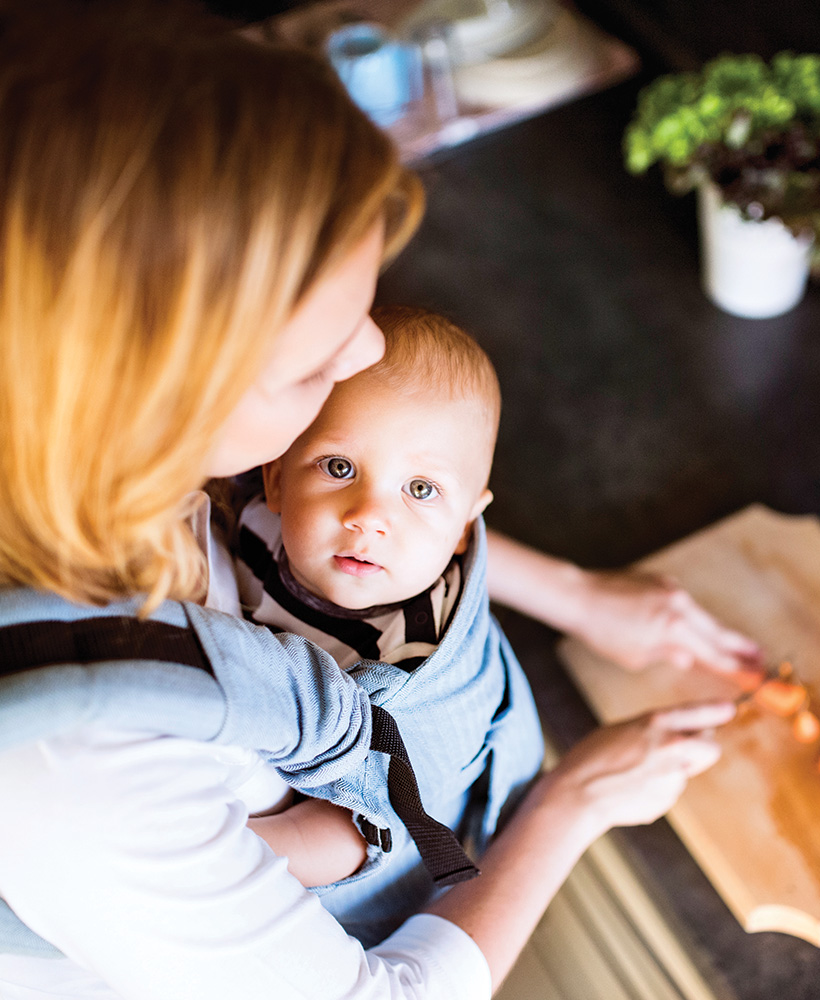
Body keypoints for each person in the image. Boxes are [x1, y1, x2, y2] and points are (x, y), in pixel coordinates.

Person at [0, 4, 748, 999]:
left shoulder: (89, 447)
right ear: (154, 403)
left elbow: (354, 512)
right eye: (313, 367)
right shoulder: (78, 772)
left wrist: (575, 591)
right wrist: (576, 798)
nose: (363, 358)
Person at [235, 306, 544, 943]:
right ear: (274, 475)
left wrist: (232, 850)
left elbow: (360, 827)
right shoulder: (246, 522)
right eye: (339, 467)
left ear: (464, 526)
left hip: (327, 859)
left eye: (421, 490)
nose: (369, 516)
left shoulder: (408, 660)